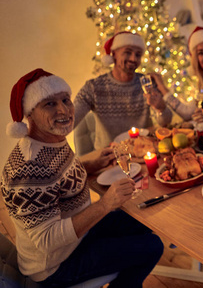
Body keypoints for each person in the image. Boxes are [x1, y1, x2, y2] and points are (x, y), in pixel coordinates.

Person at [2, 69, 164, 287]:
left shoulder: (51, 140)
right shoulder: (29, 169)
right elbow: (47, 241)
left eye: (65, 100)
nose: (64, 110)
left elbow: (57, 183)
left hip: (79, 236)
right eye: (49, 104)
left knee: (142, 219)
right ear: (29, 113)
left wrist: (90, 165)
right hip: (56, 265)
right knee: (152, 246)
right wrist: (105, 204)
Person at [73, 31, 173, 151]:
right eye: (127, 52)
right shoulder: (94, 88)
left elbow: (165, 122)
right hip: (110, 155)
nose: (133, 59)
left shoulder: (146, 83)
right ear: (114, 54)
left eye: (138, 55)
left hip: (144, 149)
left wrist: (162, 109)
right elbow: (71, 118)